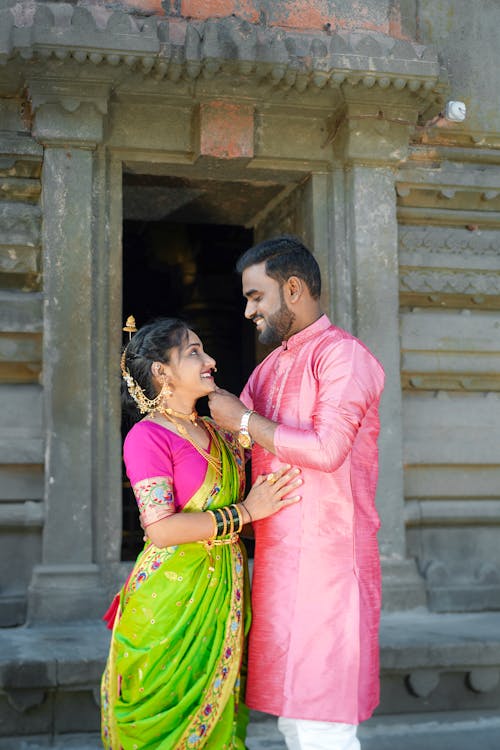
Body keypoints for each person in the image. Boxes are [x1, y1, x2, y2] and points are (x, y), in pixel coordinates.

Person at [208, 235, 385, 750]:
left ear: (292, 289)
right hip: (281, 565)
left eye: (255, 296)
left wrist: (242, 419)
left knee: (324, 726)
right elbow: (235, 439)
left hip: (331, 567)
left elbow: (329, 449)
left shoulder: (343, 359)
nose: (247, 310)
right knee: (293, 721)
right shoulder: (270, 367)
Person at [100, 316, 302, 750]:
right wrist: (246, 512)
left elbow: (259, 507)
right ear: (161, 371)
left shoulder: (220, 431)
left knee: (222, 722)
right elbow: (161, 529)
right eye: (193, 352)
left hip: (224, 596)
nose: (210, 360)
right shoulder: (147, 437)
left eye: (204, 349)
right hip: (170, 604)